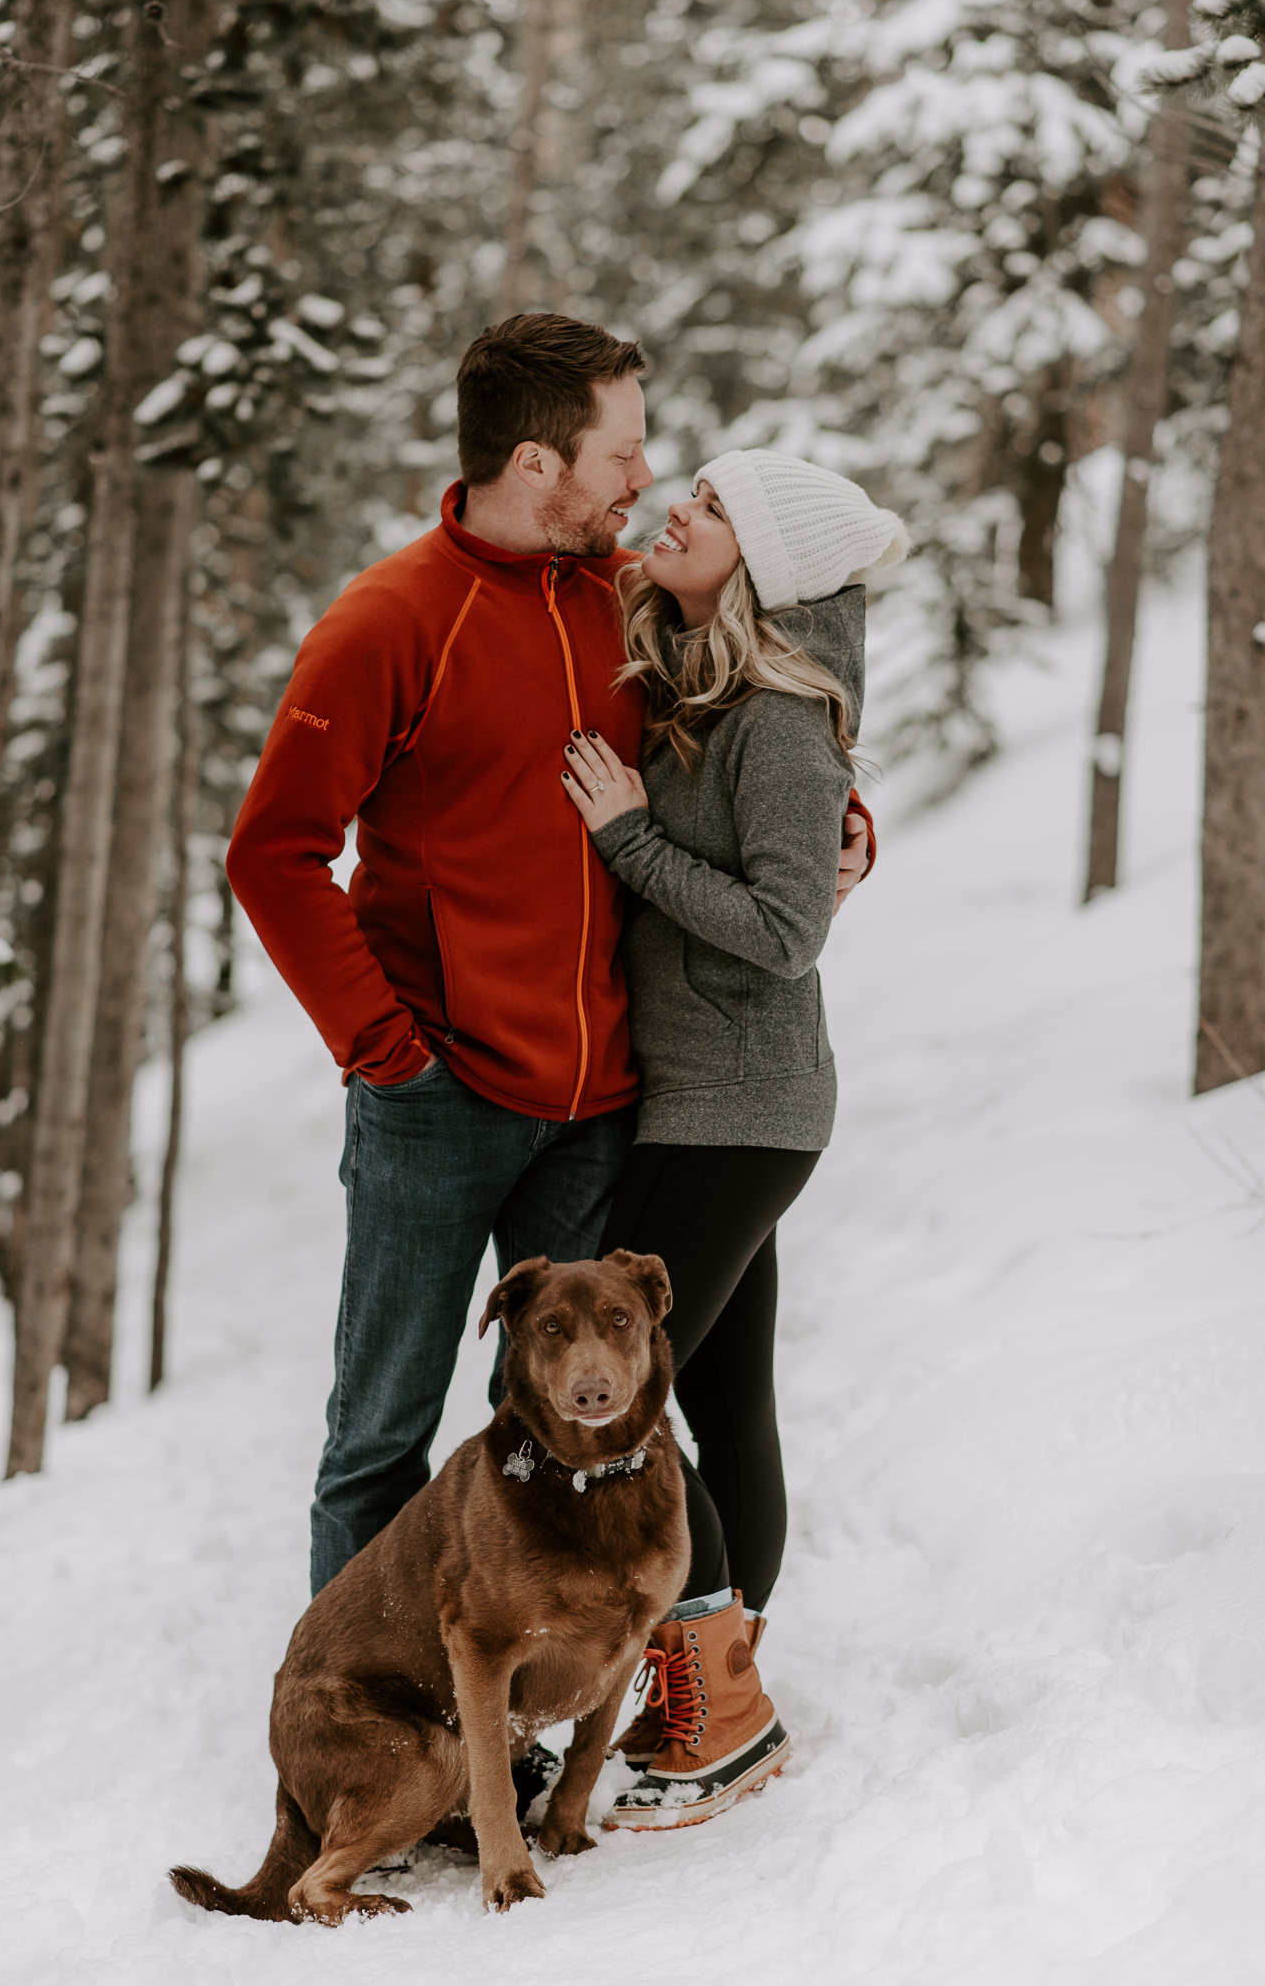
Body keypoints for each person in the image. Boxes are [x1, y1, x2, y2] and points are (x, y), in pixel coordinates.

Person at [227, 315, 873, 1620]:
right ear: (538, 462)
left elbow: (777, 718)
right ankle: (371, 1733)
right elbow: (273, 854)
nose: (643, 478)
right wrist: (386, 1054)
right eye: (622, 451)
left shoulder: (630, 598)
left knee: (566, 1432)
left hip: (600, 1115)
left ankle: (540, 1729)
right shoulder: (389, 622)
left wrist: (853, 831)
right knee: (380, 1444)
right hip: (435, 1104)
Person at [556, 451, 907, 1831]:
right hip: (712, 1103)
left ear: (756, 563)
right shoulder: (705, 678)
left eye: (708, 506)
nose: (677, 511)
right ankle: (727, 1688)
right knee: (725, 1402)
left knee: (624, 1407)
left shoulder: (779, 721)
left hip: (739, 1111)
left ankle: (721, 1708)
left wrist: (632, 842)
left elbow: (786, 930)